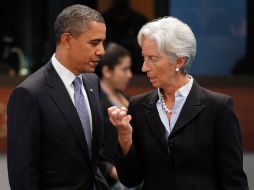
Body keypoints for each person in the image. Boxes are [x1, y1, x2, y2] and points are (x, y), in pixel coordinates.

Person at [108, 17, 249, 190]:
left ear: (179, 61)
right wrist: (124, 136)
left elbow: (233, 180)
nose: (144, 67)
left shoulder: (217, 107)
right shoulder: (138, 106)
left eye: (152, 58)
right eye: (144, 57)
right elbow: (130, 179)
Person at [7, 4, 109, 190]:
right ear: (67, 40)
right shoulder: (29, 94)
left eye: (102, 42)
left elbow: (95, 157)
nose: (101, 51)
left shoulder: (92, 82)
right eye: (94, 43)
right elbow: (23, 175)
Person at [95, 42, 134, 190]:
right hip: (108, 179)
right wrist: (111, 170)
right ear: (107, 71)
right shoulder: (95, 100)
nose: (129, 75)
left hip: (129, 170)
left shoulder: (125, 97)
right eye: (124, 70)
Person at [102, 0, 148, 74]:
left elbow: (144, 48)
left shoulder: (140, 21)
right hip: (108, 65)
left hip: (136, 71)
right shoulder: (102, 20)